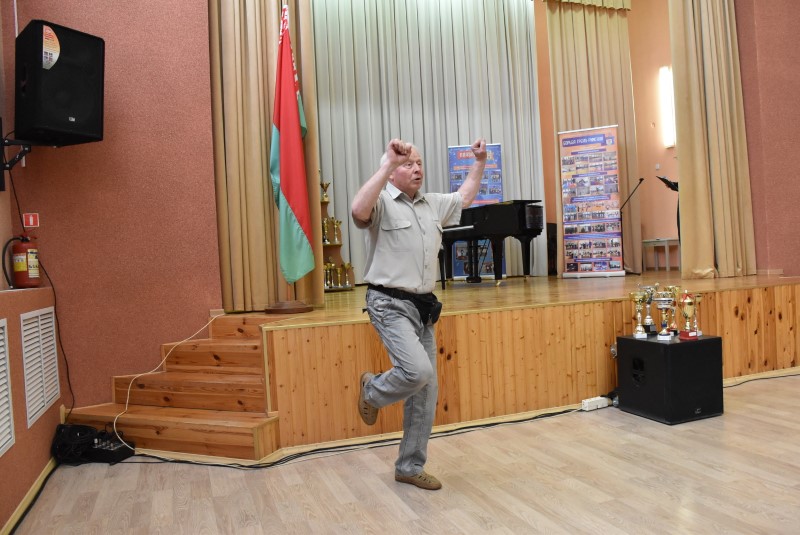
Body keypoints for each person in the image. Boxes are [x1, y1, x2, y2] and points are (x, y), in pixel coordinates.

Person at [351, 137, 487, 490]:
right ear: (392, 173)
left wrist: (479, 162)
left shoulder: (433, 204)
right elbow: (358, 211)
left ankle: (409, 467)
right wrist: (387, 163)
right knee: (418, 372)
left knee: (426, 390)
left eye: (419, 163)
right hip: (388, 303)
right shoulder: (381, 202)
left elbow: (465, 197)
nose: (416, 169)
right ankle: (372, 391)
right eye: (407, 164)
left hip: (423, 307)